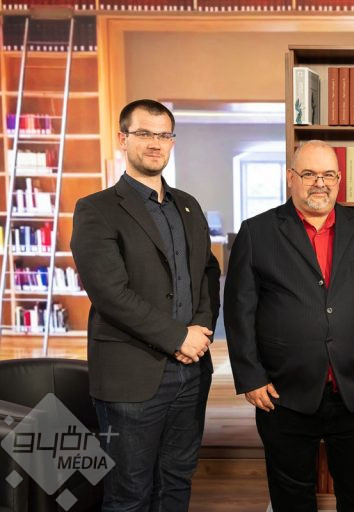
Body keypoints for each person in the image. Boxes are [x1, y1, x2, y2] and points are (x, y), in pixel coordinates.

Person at [224, 140, 354, 511]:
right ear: (290, 178)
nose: (319, 183)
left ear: (339, 180)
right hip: (282, 392)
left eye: (328, 175)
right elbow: (239, 310)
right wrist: (251, 377)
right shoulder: (257, 232)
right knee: (290, 496)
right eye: (309, 174)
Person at [71, 99, 220, 511]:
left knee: (176, 482)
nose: (155, 143)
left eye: (164, 135)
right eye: (144, 134)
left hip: (191, 372)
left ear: (171, 142)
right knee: (129, 493)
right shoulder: (96, 209)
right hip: (131, 376)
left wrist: (200, 331)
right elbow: (110, 294)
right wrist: (178, 337)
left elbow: (207, 273)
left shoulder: (188, 206)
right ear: (123, 139)